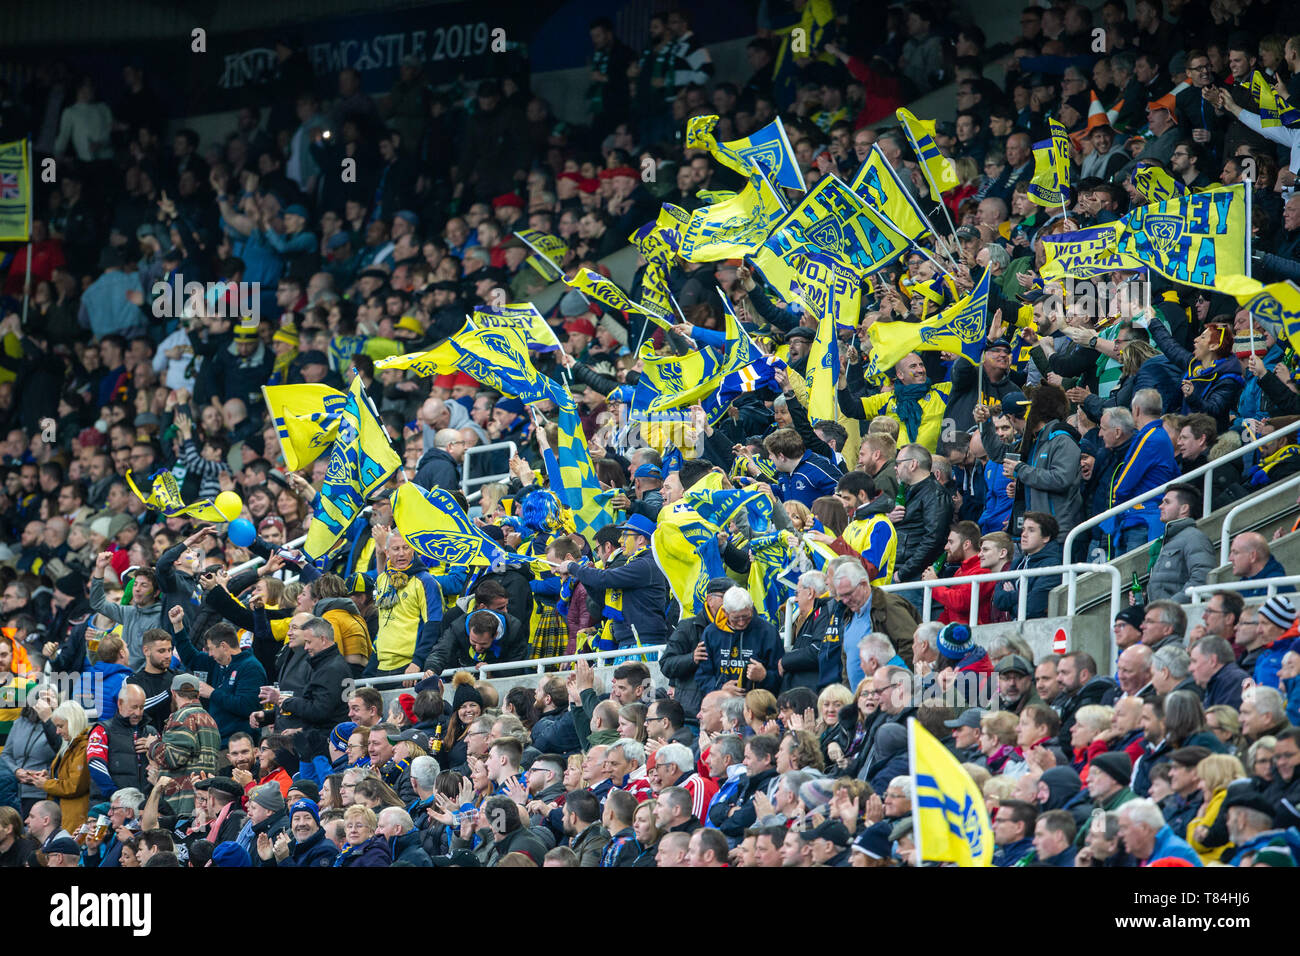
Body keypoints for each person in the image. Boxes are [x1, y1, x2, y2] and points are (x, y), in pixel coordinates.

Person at [1146, 485, 1215, 602]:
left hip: (1176, 616)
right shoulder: (1172, 539)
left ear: (1184, 509)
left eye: (1166, 503)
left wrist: (1171, 607)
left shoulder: (1194, 538)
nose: (1160, 506)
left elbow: (1202, 579)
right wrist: (1145, 597)